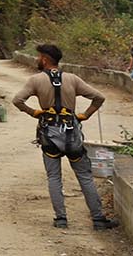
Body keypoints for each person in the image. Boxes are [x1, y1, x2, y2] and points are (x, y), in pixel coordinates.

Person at [9, 43, 119, 230]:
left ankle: (61, 219)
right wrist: (85, 115)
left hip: (49, 135)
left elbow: (17, 100)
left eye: (38, 57)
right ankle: (98, 219)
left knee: (54, 177)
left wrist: (34, 112)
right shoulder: (73, 79)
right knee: (85, 176)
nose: (37, 59)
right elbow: (99, 97)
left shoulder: (36, 81)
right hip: (72, 133)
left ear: (44, 59)